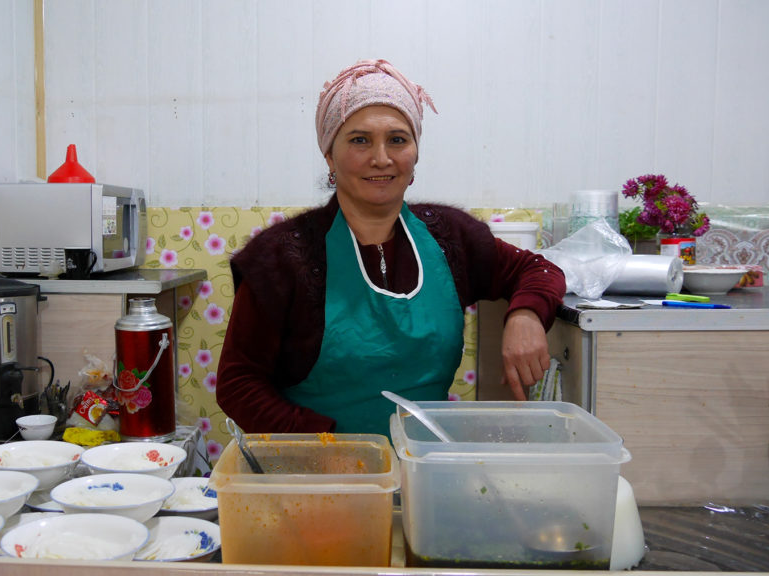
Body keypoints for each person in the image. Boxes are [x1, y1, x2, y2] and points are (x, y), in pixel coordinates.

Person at [216, 59, 566, 436]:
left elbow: (538, 270)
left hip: (423, 466)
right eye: (360, 140)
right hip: (313, 472)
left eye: (397, 139)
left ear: (415, 154)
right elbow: (239, 384)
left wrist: (527, 315)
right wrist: (327, 446)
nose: (381, 158)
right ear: (330, 155)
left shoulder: (450, 237)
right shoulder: (283, 257)